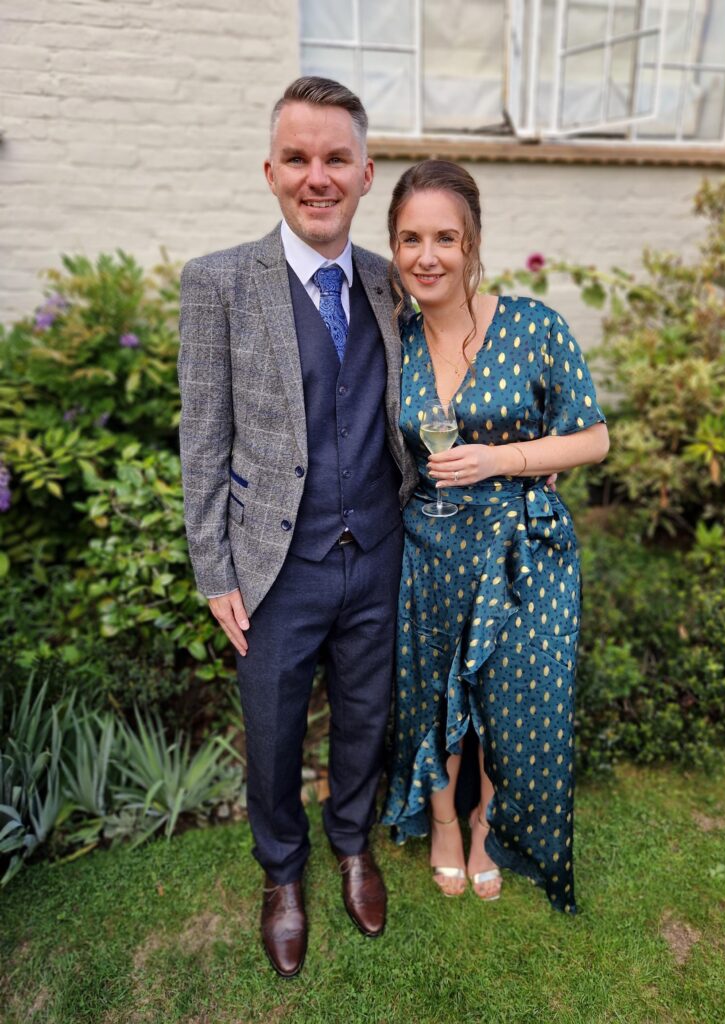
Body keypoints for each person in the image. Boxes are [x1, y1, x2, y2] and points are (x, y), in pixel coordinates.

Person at [178, 77, 417, 978]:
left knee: (364, 718)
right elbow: (204, 437)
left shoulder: (393, 281)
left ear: (365, 174)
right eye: (298, 158)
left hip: (380, 553)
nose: (318, 177)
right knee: (275, 733)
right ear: (271, 170)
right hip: (274, 565)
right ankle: (282, 872)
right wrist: (214, 569)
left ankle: (351, 843)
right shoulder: (218, 284)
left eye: (336, 159)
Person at [381, 160, 609, 911]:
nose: (427, 256)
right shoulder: (396, 338)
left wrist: (503, 459)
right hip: (430, 547)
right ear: (394, 245)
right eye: (410, 239)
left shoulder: (533, 326)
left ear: (472, 242)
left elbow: (593, 438)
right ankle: (443, 823)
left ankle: (486, 825)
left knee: (508, 697)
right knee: (432, 694)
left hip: (521, 549)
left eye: (445, 238)